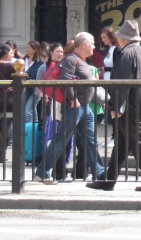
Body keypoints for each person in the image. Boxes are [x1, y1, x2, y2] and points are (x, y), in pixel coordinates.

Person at [87, 20, 141, 192]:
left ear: (123, 39)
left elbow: (121, 84)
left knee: (137, 141)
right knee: (122, 142)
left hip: (130, 105)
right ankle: (109, 179)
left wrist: (114, 106)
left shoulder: (126, 55)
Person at [36, 32, 105, 184]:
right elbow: (65, 80)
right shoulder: (71, 60)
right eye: (92, 43)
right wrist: (73, 99)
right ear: (84, 44)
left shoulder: (83, 61)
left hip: (84, 107)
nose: (94, 46)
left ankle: (100, 173)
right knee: (62, 139)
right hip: (75, 107)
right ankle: (43, 171)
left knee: (91, 141)